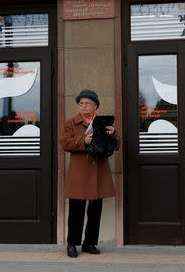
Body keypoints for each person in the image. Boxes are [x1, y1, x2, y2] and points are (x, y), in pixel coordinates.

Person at [61, 89, 119, 258]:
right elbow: (65, 143)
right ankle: (72, 244)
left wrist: (113, 133)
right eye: (81, 103)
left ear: (95, 106)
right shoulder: (70, 123)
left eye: (87, 103)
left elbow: (118, 142)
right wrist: (83, 142)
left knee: (95, 211)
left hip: (98, 171)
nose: (83, 106)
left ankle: (90, 243)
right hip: (79, 173)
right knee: (76, 212)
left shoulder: (101, 122)